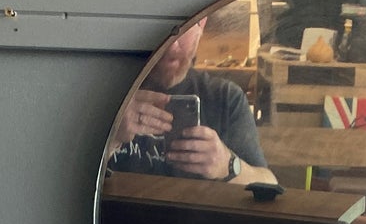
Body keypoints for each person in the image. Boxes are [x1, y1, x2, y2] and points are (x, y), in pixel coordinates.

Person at [107, 19, 277, 188]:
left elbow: (269, 184)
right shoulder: (108, 91)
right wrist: (111, 140)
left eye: (183, 30)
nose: (172, 46)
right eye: (162, 32)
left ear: (201, 26)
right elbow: (81, 175)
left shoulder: (224, 97)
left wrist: (227, 165)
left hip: (196, 214)